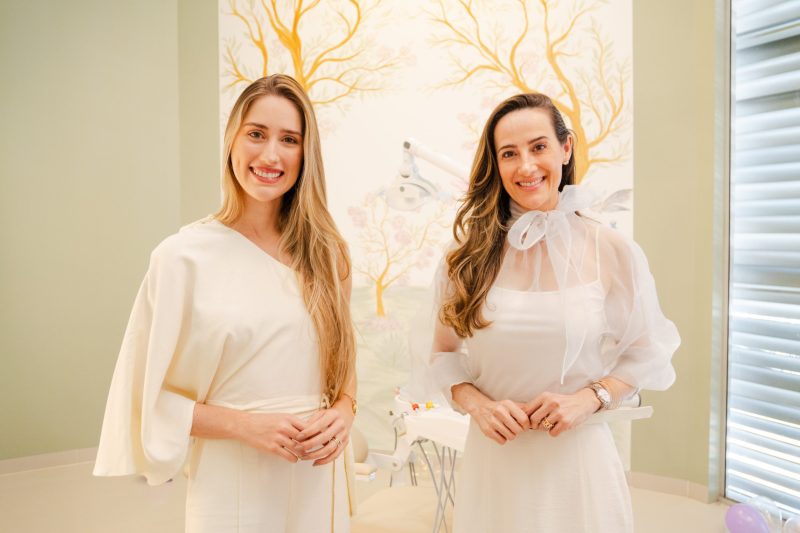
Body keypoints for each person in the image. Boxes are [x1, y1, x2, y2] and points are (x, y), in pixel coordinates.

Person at [94, 74, 357, 533]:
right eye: (256, 134)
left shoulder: (327, 254)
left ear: (306, 154)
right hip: (232, 476)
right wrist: (246, 426)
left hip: (317, 474)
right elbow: (145, 397)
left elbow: (344, 362)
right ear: (232, 140)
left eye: (289, 139)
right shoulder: (182, 257)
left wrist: (345, 410)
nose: (270, 155)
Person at [429, 93, 679, 532]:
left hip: (579, 466)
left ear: (566, 148)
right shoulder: (465, 257)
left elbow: (647, 352)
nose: (526, 166)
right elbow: (442, 355)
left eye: (538, 146)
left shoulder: (611, 249)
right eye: (509, 153)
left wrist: (590, 398)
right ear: (496, 164)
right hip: (496, 465)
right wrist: (479, 406)